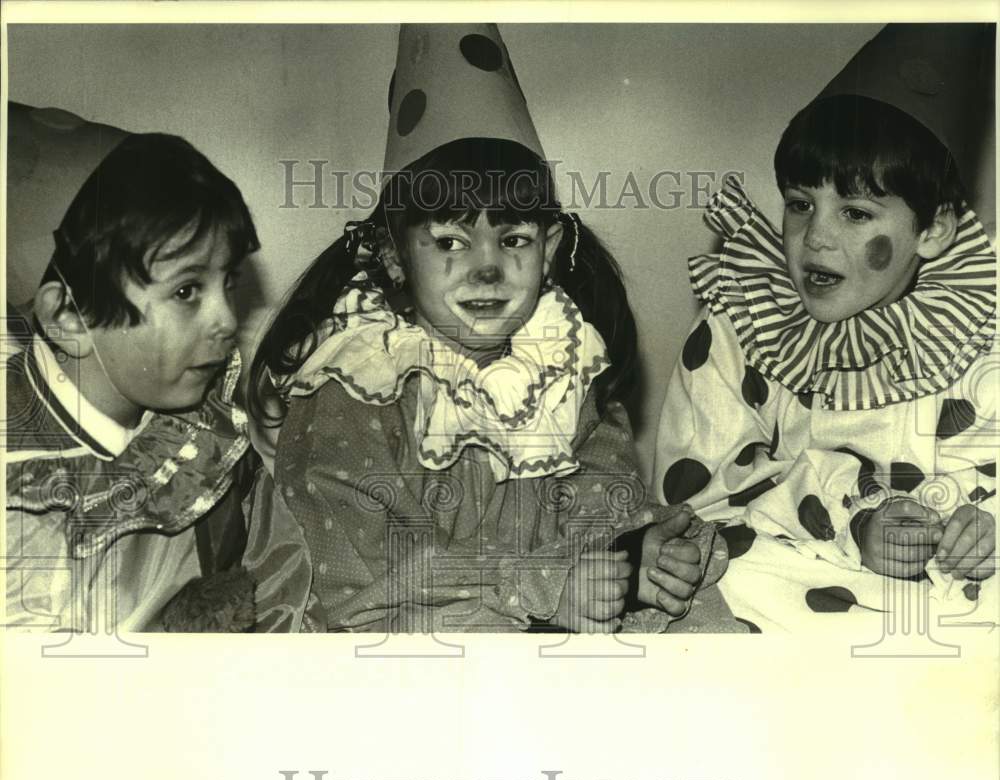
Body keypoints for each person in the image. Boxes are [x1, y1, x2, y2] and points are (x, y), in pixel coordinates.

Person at [246, 24, 731, 633]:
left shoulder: (564, 369)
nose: (487, 267)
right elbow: (357, 581)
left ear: (549, 250)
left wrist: (638, 558)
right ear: (395, 255)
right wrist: (548, 584)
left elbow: (601, 499)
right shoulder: (353, 391)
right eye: (450, 239)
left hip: (538, 616)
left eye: (514, 238)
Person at [653, 24, 997, 631]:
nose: (814, 237)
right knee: (722, 579)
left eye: (856, 213)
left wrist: (976, 529)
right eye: (800, 202)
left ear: (934, 229)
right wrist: (852, 520)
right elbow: (694, 502)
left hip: (956, 586)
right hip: (804, 571)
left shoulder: (979, 332)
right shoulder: (740, 326)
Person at [5, 132, 261, 633]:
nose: (228, 319)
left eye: (228, 280)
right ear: (69, 318)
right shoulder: (21, 496)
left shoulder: (199, 403)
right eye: (187, 290)